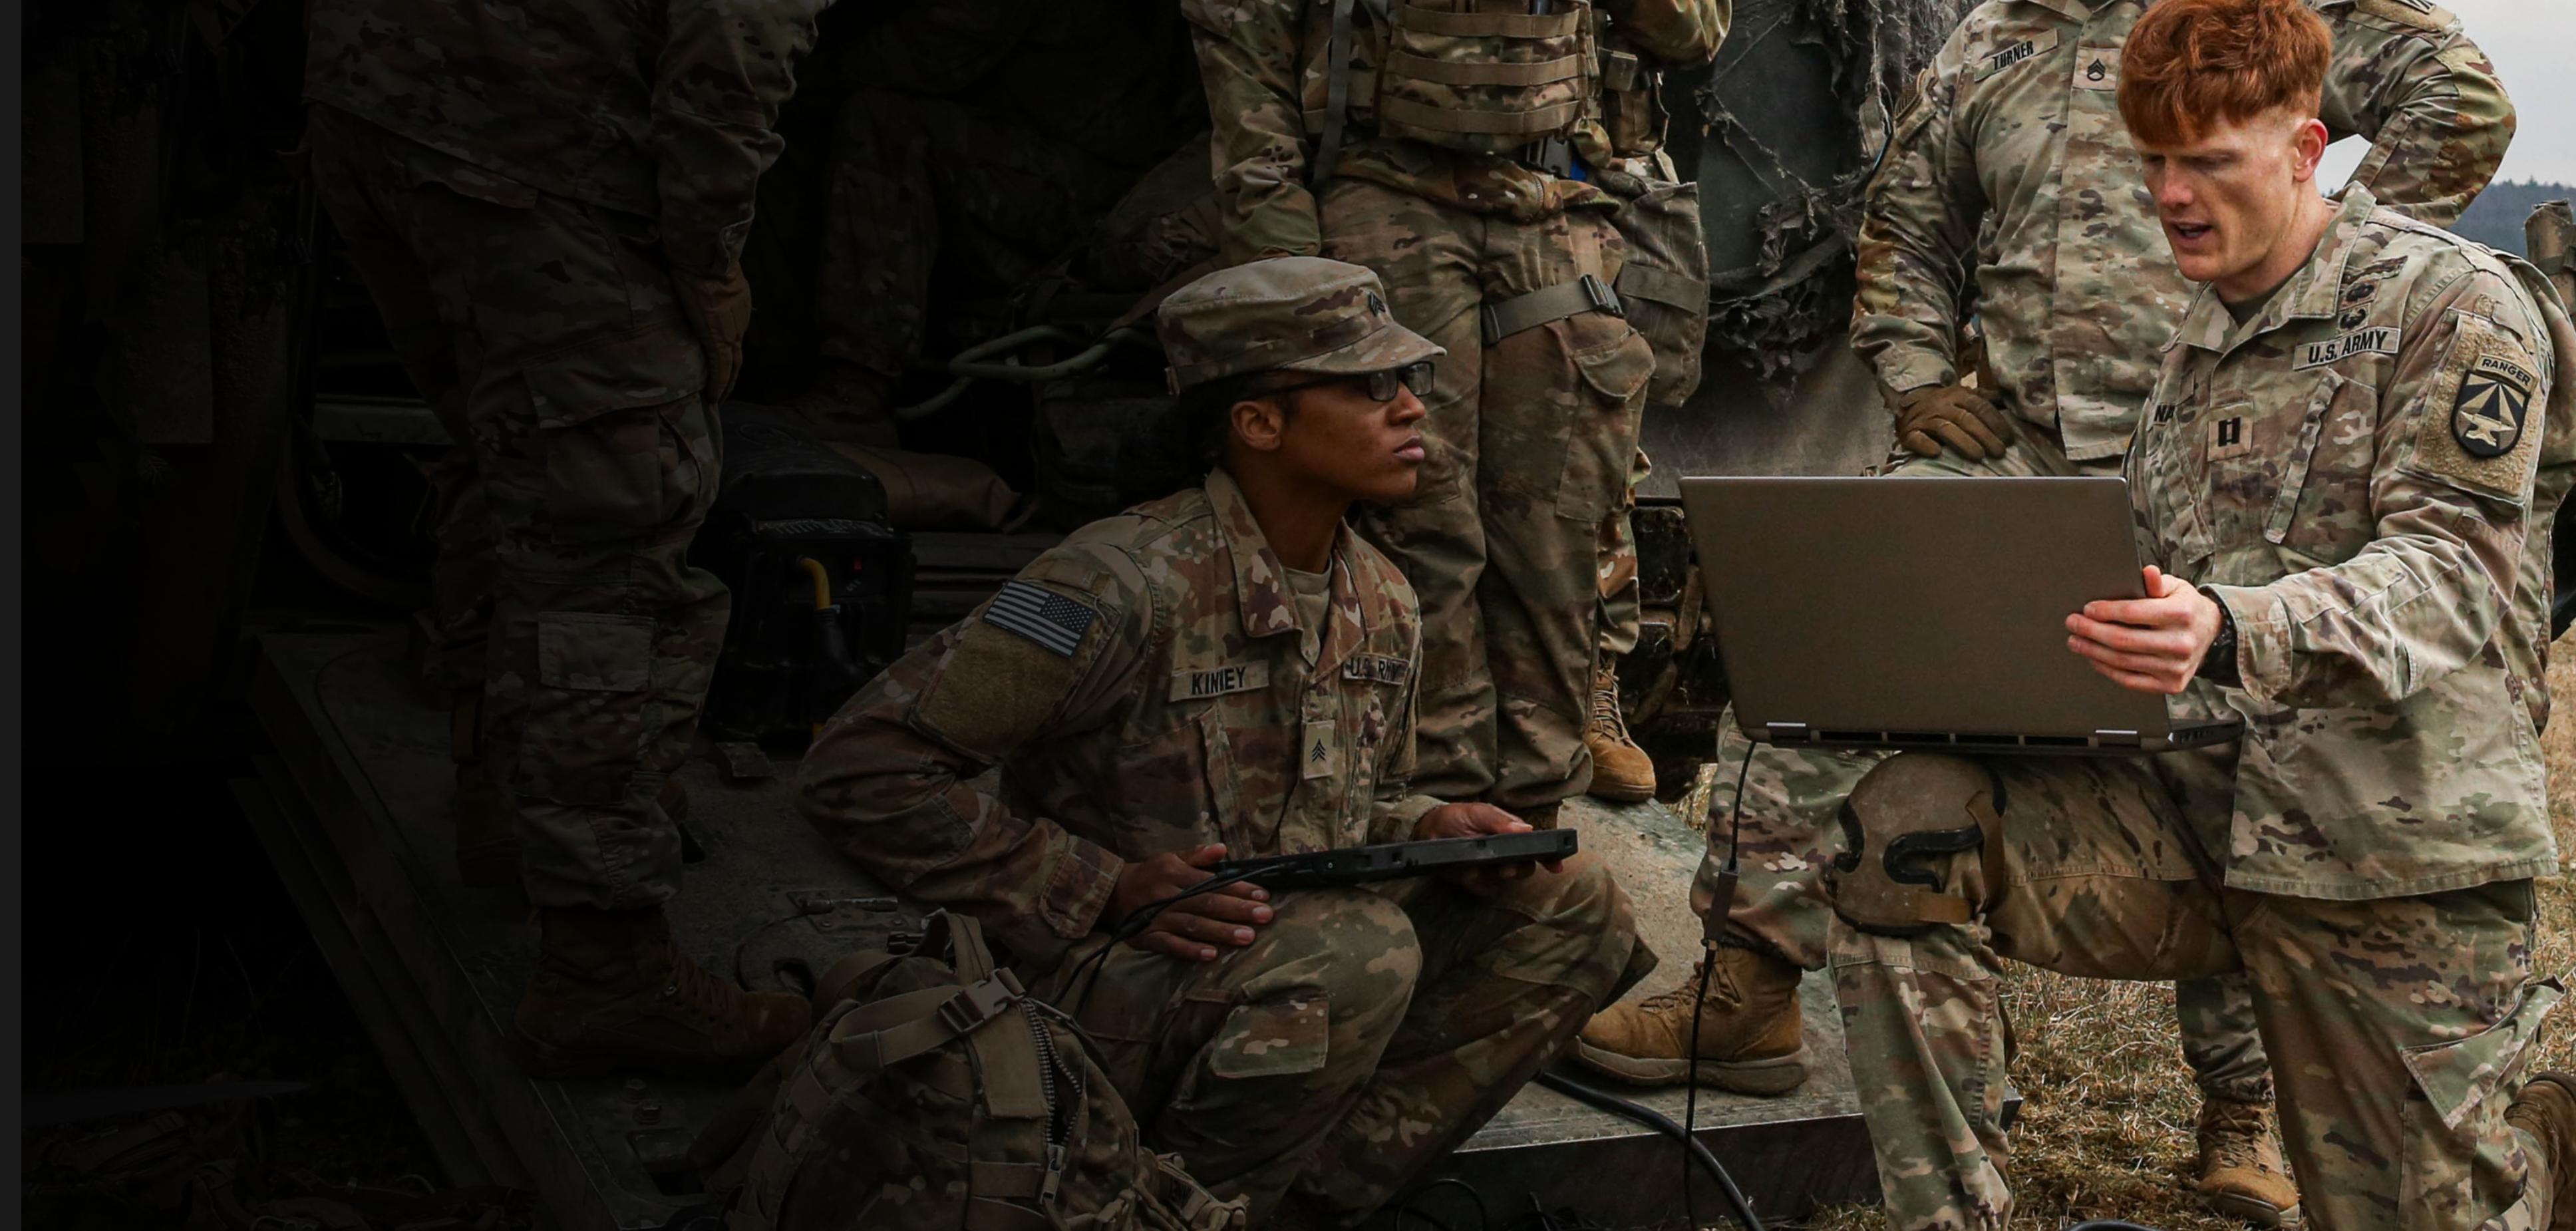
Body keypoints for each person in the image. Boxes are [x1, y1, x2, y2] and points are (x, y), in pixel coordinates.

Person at [1574, 0, 2517, 1219]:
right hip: (2024, 448)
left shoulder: (2265, 62)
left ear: (2297, 150)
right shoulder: (1993, 44)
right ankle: (1751, 982)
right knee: (1831, 667)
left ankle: (2251, 1103)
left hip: (2272, 546)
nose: (2172, 191)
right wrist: (1919, 382)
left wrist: (2329, 269)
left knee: (2246, 751)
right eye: (2156, 163)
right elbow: (1908, 219)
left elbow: (2460, 104)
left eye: (2206, 161)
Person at [796, 257, 1655, 1230]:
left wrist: (1427, 826)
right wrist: (1099, 883)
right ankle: (1143, 1207)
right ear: (1257, 422)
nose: (1413, 406)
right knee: (1354, 950)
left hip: (1273, 962)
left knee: (1573, 903)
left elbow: (1348, 803)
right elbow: (862, 770)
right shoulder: (1120, 582)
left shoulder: (1381, 595)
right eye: (1371, 385)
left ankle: (1276, 1208)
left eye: (1410, 379)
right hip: (1092, 981)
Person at [305, 0, 827, 1074]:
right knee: (612, 536)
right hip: (534, 149)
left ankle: (503, 785)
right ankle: (604, 964)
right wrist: (711, 260)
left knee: (513, 454)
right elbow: (733, 48)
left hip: (380, 100)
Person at [1183, 0, 1731, 824]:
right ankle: (1427, 797)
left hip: (1553, 197)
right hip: (1383, 190)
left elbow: (1690, 35)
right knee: (1414, 513)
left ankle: (1535, 800)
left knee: (1560, 518)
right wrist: (1288, 268)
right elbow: (1246, 65)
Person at [788, 0, 1206, 440]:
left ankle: (857, 390)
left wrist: (797, 82)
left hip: (1093, 188)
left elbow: (930, 54)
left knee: (883, 126)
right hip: (1080, 171)